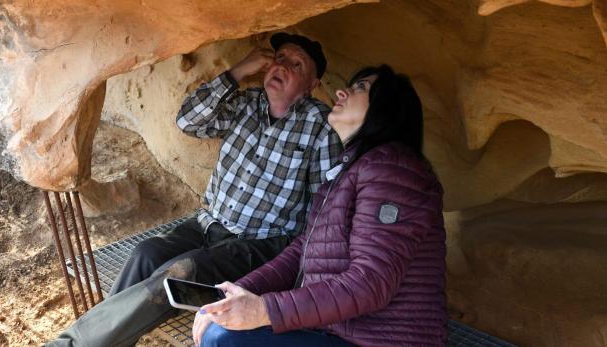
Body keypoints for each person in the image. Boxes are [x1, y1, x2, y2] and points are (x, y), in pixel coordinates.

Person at [46, 32, 341, 347]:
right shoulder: (247, 102)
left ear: (312, 85)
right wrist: (237, 71)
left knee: (184, 272)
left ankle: (70, 345)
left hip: (260, 244)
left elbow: (325, 208)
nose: (282, 66)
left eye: (296, 64)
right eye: (279, 57)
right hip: (208, 223)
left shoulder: (321, 127)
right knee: (146, 253)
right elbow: (188, 121)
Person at [193, 65, 447, 347]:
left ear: (386, 109)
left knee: (224, 337)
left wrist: (263, 310)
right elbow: (302, 251)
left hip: (375, 341)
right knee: (224, 326)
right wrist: (242, 290)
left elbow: (370, 283)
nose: (342, 91)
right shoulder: (352, 169)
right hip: (337, 331)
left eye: (360, 88)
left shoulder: (393, 172)